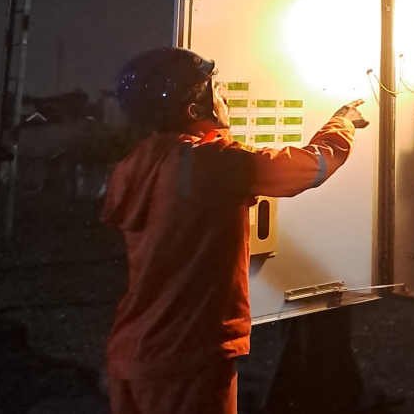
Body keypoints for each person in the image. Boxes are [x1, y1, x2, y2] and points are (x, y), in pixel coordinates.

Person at [101, 47, 369, 414]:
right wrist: (342, 122)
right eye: (215, 90)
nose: (223, 97)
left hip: (134, 350)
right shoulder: (210, 164)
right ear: (193, 110)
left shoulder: (135, 165)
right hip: (189, 357)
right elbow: (311, 166)